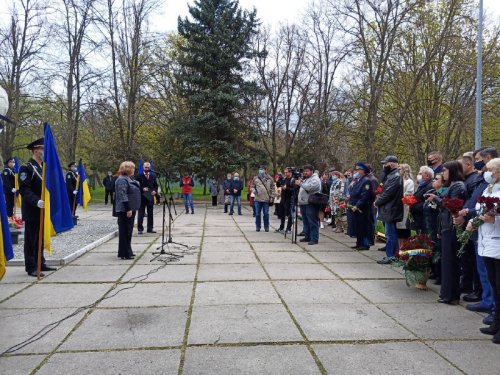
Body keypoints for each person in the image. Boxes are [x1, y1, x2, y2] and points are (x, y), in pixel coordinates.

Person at [454, 147, 498, 323]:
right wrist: (470, 213)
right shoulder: (486, 183)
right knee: (484, 271)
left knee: (491, 274)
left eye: (480, 159)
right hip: (481, 233)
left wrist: (477, 215)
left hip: (492, 236)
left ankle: (492, 305)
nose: (485, 171)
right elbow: (479, 203)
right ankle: (488, 302)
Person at [427, 160, 467, 305]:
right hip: (445, 226)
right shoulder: (451, 185)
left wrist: (436, 199)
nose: (443, 173)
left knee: (450, 262)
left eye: (445, 170)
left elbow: (452, 205)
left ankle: (451, 294)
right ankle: (447, 293)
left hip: (451, 227)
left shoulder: (458, 185)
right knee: (447, 261)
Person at [19, 138, 56, 277]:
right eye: (42, 149)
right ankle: (31, 266)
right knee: (31, 239)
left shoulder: (44, 167)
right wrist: (36, 201)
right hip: (32, 208)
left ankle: (41, 262)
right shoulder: (26, 167)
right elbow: (24, 189)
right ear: (35, 150)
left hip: (43, 208)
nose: (43, 152)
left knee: (41, 236)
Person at [472, 158, 500, 344]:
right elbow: (479, 209)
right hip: (486, 241)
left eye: (489, 169)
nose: (486, 173)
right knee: (495, 286)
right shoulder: (489, 188)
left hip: (497, 242)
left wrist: (495, 220)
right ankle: (496, 323)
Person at [375, 155, 404, 264]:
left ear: (391, 164)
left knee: (390, 234)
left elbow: (388, 193)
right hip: (389, 208)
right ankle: (392, 255)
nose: (384, 166)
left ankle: (391, 256)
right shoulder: (391, 175)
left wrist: (377, 202)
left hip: (391, 209)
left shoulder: (395, 176)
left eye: (385, 164)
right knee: (390, 234)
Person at [114, 161, 141, 259]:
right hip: (125, 209)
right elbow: (122, 195)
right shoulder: (122, 180)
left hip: (131, 208)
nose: (134, 170)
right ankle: (125, 254)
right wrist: (128, 209)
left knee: (129, 231)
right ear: (128, 169)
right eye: (133, 168)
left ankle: (127, 250)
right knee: (125, 231)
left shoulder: (128, 178)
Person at [349, 162, 375, 250]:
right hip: (355, 206)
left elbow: (365, 195)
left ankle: (365, 244)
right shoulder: (358, 180)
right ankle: (359, 243)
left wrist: (357, 205)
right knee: (358, 226)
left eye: (358, 170)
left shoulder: (366, 181)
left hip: (362, 207)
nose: (356, 171)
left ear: (363, 171)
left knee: (363, 226)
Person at [296, 164, 321, 245]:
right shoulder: (307, 179)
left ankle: (314, 239)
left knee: (312, 221)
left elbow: (309, 188)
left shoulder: (315, 179)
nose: (305, 173)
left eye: (307, 171)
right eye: (304, 171)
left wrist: (300, 183)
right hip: (304, 203)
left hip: (311, 203)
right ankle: (307, 236)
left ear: (311, 171)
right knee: (305, 221)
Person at [410, 166, 434, 234]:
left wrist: (414, 205)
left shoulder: (430, 186)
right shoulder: (422, 185)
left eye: (420, 174)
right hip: (418, 217)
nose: (418, 175)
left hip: (424, 218)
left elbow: (428, 202)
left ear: (427, 175)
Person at [252, 165, 276, 232]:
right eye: (260, 169)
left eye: (262, 169)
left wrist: (272, 197)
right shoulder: (255, 178)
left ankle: (266, 226)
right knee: (257, 214)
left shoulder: (269, 178)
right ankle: (258, 226)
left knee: (266, 213)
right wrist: (254, 191)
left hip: (266, 199)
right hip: (257, 199)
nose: (261, 170)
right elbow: (252, 186)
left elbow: (273, 188)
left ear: (266, 170)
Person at [396, 163, 415, 248]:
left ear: (405, 170)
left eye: (400, 169)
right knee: (398, 232)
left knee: (404, 231)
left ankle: (404, 249)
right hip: (397, 208)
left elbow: (409, 194)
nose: (398, 171)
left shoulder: (409, 182)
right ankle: (399, 249)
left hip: (405, 208)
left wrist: (397, 195)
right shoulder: (398, 180)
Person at [136, 162, 158, 234]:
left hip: (150, 197)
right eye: (146, 167)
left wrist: (155, 191)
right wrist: (142, 188)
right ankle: (140, 229)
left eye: (148, 168)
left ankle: (150, 228)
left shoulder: (153, 176)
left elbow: (155, 185)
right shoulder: (139, 176)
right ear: (143, 167)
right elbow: (136, 186)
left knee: (150, 213)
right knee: (141, 214)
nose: (147, 169)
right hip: (142, 197)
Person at [275, 167, 295, 234]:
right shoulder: (284, 179)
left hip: (290, 199)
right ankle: (281, 227)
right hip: (283, 198)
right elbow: (278, 185)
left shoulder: (293, 180)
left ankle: (288, 228)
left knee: (289, 214)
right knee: (281, 213)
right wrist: (278, 181)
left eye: (286, 172)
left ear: (290, 172)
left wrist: (287, 188)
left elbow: (294, 190)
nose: (285, 174)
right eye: (285, 172)